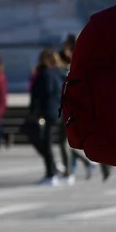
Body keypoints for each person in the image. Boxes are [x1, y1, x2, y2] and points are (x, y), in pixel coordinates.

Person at [28, 49, 67, 185]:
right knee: (50, 142)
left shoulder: (46, 74)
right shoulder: (59, 72)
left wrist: (35, 113)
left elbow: (42, 94)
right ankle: (54, 169)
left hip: (47, 112)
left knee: (46, 143)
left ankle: (51, 173)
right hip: (58, 111)